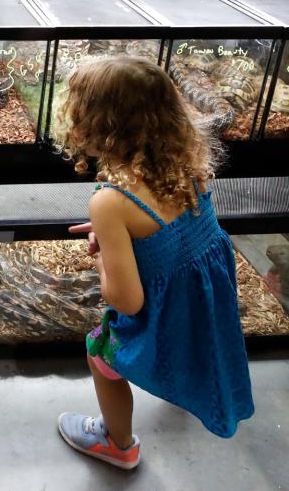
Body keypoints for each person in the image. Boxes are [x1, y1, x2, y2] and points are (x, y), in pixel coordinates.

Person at [53, 57, 254, 470]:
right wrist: (118, 232)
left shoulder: (110, 201)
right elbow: (167, 225)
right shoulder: (189, 163)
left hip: (166, 312)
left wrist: (106, 254)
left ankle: (118, 444)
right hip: (205, 297)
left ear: (99, 128)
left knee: (100, 353)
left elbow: (126, 302)